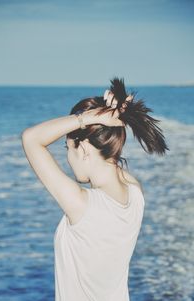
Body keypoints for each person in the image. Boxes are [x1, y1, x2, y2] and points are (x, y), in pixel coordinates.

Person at [22, 77, 169, 301]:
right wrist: (115, 115)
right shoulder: (135, 192)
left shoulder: (82, 205)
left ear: (84, 148)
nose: (68, 158)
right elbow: (112, 163)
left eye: (67, 148)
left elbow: (31, 138)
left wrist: (86, 118)